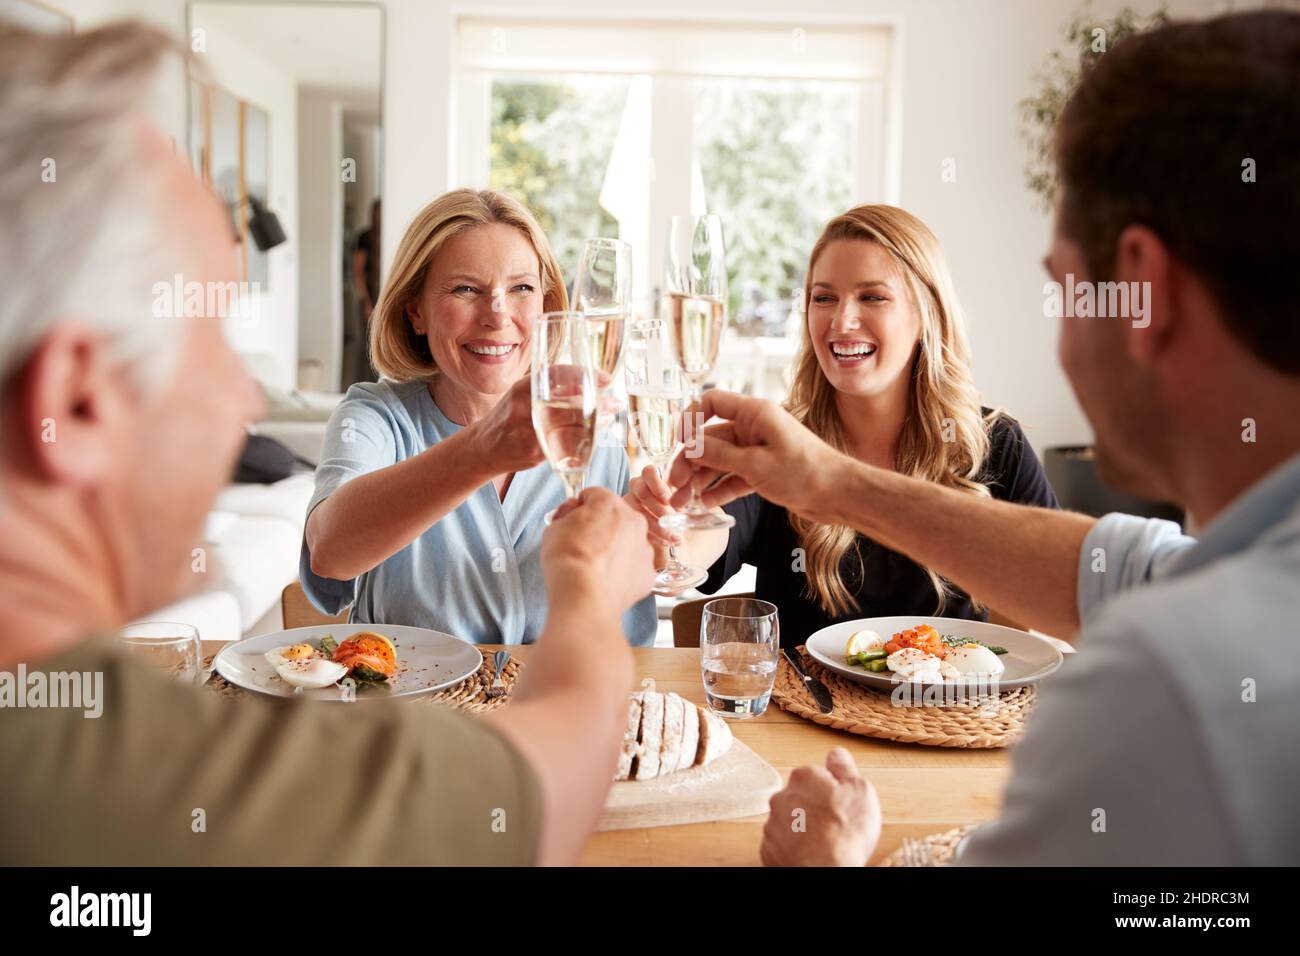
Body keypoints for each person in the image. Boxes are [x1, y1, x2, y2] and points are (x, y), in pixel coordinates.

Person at [0, 21, 655, 866]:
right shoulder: (105, 758)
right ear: (74, 400)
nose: (243, 394)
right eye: (209, 337)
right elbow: (544, 793)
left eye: (522, 289)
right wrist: (583, 585)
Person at [671, 10, 1300, 866]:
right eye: (822, 297)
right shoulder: (1231, 580)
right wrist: (817, 483)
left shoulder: (1173, 682)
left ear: (1142, 291)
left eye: (1064, 289)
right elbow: (1123, 567)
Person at [631, 205, 1057, 646]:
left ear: (924, 316)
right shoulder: (779, 443)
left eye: (872, 297)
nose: (841, 320)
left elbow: (1057, 591)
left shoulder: (996, 443)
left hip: (942, 714)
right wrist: (668, 531)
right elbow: (703, 543)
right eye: (823, 297)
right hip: (803, 714)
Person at [301, 188, 658, 645]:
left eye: (522, 288)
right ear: (416, 312)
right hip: (415, 714)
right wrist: (483, 451)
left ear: (548, 307)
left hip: (568, 711)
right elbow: (330, 551)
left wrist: (670, 540)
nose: (497, 315)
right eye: (466, 289)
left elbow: (656, 572)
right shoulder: (375, 417)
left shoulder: (597, 428)